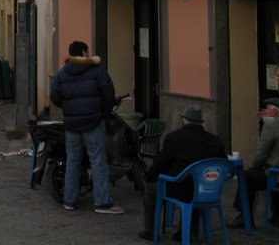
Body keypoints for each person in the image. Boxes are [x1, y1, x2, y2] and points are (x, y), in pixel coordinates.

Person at [49, 40, 123, 215]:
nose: (89, 54)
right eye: (87, 51)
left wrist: (70, 109)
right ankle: (102, 202)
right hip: (93, 123)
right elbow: (108, 94)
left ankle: (69, 200)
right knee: (97, 160)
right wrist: (103, 114)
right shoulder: (97, 72)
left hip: (72, 124)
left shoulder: (61, 74)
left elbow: (55, 97)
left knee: (73, 160)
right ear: (83, 52)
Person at [136, 105, 226, 241]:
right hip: (207, 189)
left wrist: (149, 177)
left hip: (178, 188)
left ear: (183, 121)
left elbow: (161, 163)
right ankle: (188, 232)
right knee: (195, 184)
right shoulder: (215, 141)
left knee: (150, 188)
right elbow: (222, 163)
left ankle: (150, 231)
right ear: (200, 122)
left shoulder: (174, 138)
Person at [231, 97, 279, 228]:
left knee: (247, 176)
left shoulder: (271, 126)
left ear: (274, 112)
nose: (264, 114)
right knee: (275, 170)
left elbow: (259, 158)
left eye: (266, 111)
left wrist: (256, 167)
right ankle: (278, 216)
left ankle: (244, 217)